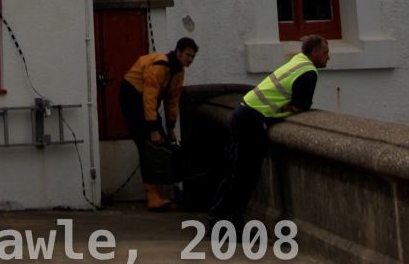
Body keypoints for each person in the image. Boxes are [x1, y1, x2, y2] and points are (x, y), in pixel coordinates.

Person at [206, 34, 330, 235]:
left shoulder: (297, 61)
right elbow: (299, 107)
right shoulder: (309, 71)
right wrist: (286, 108)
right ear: (314, 52)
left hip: (243, 111)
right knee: (244, 176)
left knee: (232, 173)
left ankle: (216, 223)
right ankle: (230, 227)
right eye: (325, 52)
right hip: (253, 120)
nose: (328, 57)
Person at [120, 36, 199, 210]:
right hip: (132, 95)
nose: (190, 59)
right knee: (146, 144)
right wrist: (153, 129)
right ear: (178, 52)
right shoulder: (160, 65)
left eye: (192, 56)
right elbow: (149, 97)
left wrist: (170, 126)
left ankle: (159, 196)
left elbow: (172, 99)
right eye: (187, 55)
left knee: (160, 143)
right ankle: (152, 197)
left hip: (146, 99)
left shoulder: (179, 70)